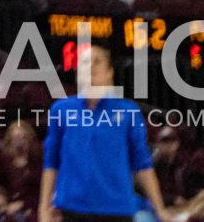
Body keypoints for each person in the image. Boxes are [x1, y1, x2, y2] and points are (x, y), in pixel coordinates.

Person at [38, 44, 167, 222]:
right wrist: (43, 208)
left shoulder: (129, 111)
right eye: (84, 63)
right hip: (71, 209)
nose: (90, 67)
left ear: (109, 72)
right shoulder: (61, 109)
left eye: (97, 62)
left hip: (117, 209)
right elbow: (51, 162)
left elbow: (142, 164)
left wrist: (160, 209)